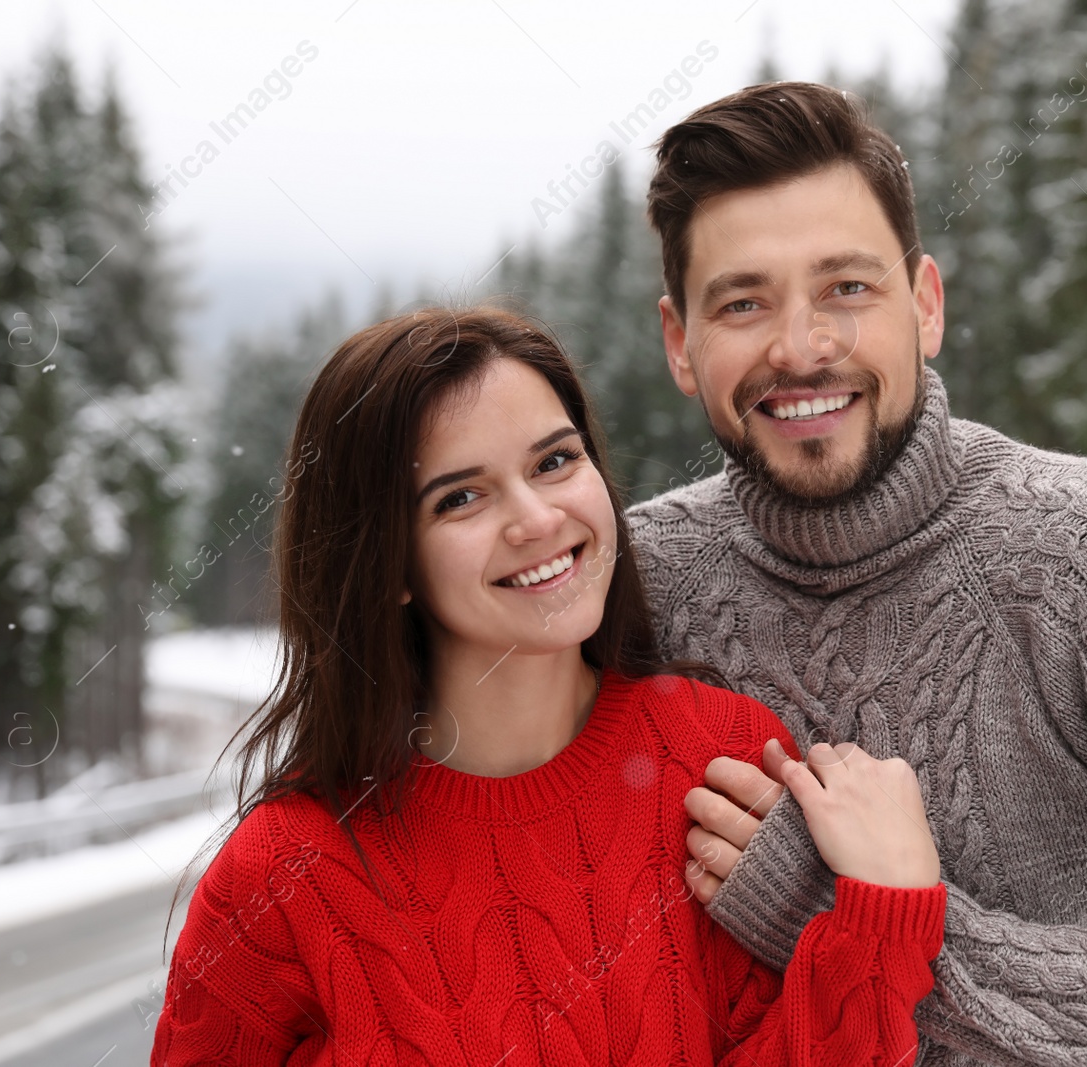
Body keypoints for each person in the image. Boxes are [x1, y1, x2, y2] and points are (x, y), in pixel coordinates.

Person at [628, 82, 1087, 1065]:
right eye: (742, 301)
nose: (799, 345)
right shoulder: (630, 585)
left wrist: (850, 922)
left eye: (846, 288)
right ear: (681, 343)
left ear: (925, 304)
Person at [149, 306, 947, 1066]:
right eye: (460, 497)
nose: (536, 518)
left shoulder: (716, 759)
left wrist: (884, 914)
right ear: (387, 561)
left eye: (555, 461)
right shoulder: (282, 876)